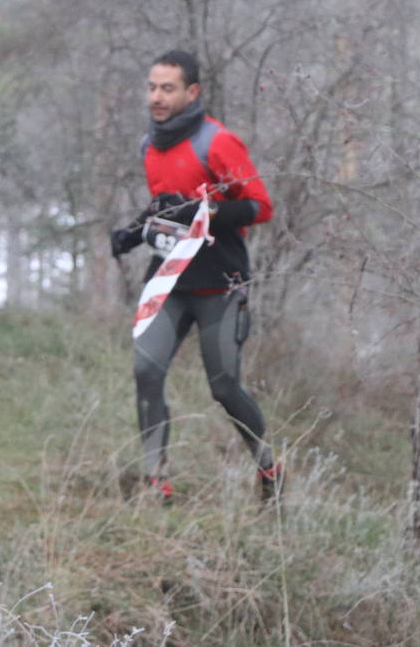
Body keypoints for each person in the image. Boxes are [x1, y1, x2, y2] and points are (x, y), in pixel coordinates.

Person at [110, 49, 281, 503]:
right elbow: (165, 207)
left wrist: (200, 210)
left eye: (167, 88)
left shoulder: (217, 142)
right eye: (152, 87)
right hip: (168, 281)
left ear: (192, 92)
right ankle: (155, 481)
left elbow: (260, 206)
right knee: (146, 371)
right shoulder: (150, 144)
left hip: (220, 284)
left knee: (224, 388)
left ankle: (268, 468)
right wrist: (132, 232)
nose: (157, 97)